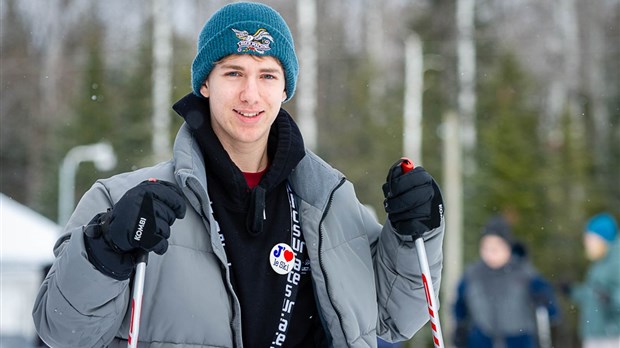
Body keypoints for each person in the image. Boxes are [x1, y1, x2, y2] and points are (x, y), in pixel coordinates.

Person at [32, 2, 445, 347]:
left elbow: (396, 317)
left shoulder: (331, 204)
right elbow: (63, 331)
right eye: (233, 73)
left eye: (267, 75)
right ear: (205, 84)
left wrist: (416, 234)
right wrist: (108, 247)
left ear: (285, 89)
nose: (250, 94)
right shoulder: (125, 202)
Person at [452, 215, 559, 348]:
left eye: (496, 247)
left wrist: (547, 305)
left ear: (507, 247)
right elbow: (460, 305)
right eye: (486, 247)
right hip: (481, 339)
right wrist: (460, 327)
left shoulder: (524, 273)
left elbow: (548, 299)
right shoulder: (472, 275)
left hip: (519, 339)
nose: (491, 253)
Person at [568, 213, 620, 348]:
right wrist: (572, 291)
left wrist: (610, 298)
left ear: (602, 239)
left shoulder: (616, 262)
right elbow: (592, 294)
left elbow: (613, 296)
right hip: (596, 334)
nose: (585, 242)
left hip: (611, 336)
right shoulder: (599, 263)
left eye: (589, 238)